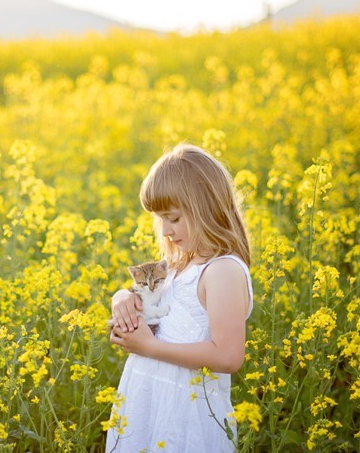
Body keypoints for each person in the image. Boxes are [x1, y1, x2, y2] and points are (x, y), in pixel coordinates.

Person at [107, 143, 253, 452]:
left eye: (172, 218)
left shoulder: (221, 271)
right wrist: (122, 297)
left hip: (188, 417)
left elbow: (228, 356)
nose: (165, 230)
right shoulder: (176, 266)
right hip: (147, 404)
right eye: (160, 219)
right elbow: (147, 305)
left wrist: (149, 347)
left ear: (206, 207)